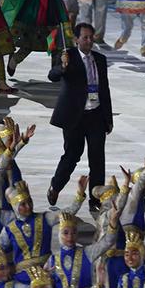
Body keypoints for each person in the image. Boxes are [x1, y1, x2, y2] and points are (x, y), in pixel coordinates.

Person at [47, 22, 112, 210]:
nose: (89, 41)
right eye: (85, 37)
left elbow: (104, 90)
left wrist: (108, 119)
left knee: (97, 159)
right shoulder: (68, 56)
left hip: (96, 115)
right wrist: (63, 67)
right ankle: (56, 186)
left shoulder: (100, 59)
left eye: (91, 37)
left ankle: (95, 200)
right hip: (74, 116)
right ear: (76, 39)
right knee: (72, 155)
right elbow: (52, 75)